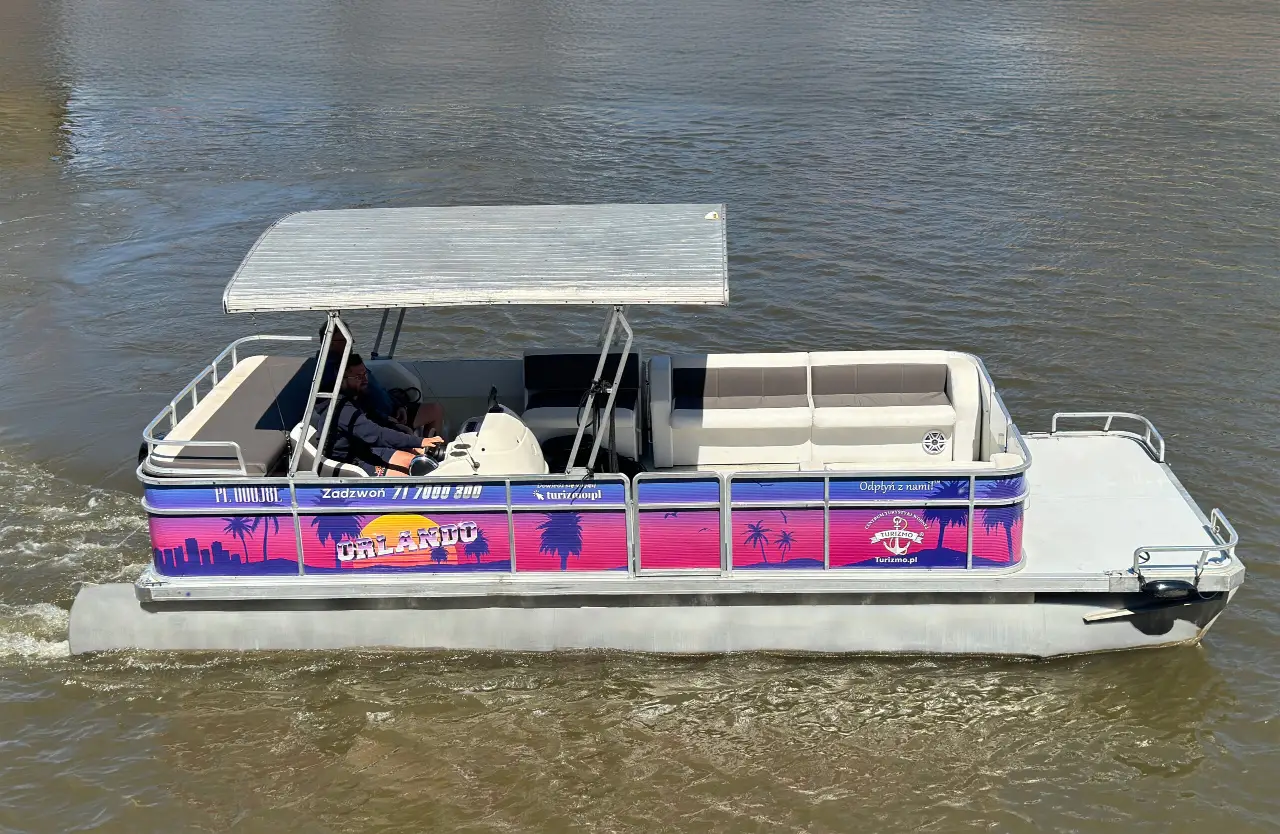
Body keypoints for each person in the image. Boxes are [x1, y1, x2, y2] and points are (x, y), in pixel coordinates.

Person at [312, 354, 443, 476]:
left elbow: (376, 417)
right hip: (351, 461)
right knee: (407, 469)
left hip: (364, 448)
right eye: (358, 377)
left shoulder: (359, 396)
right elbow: (376, 434)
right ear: (341, 379)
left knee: (413, 459)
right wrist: (420, 441)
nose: (364, 379)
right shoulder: (341, 409)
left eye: (365, 374)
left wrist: (400, 429)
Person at [319, 326, 444, 436]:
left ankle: (433, 450)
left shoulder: (352, 362)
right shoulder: (333, 372)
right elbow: (358, 404)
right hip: (381, 419)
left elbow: (378, 389)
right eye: (345, 340)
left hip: (394, 410)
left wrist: (400, 406)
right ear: (330, 343)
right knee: (408, 431)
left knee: (435, 409)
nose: (351, 343)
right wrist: (386, 419)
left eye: (350, 339)